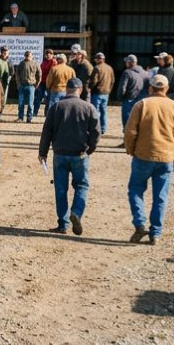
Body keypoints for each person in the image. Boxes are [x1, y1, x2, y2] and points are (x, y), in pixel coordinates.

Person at [124, 74, 174, 245]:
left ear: (150, 88)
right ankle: (155, 234)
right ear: (166, 89)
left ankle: (139, 223)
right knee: (160, 196)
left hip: (143, 156)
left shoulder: (142, 105)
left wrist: (131, 149)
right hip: (166, 157)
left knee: (135, 190)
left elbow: (130, 132)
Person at [39, 78, 100, 235]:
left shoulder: (56, 107)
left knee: (60, 189)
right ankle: (76, 212)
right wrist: (90, 149)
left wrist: (42, 153)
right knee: (82, 186)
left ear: (67, 89)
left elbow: (47, 132)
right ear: (79, 90)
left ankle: (63, 224)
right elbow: (96, 133)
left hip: (60, 154)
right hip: (80, 154)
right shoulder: (89, 108)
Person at [117, 55, 150, 129]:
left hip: (129, 99)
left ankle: (127, 135)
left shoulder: (127, 72)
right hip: (141, 100)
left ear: (129, 63)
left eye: (126, 62)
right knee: (139, 118)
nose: (125, 63)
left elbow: (122, 87)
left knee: (127, 119)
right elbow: (149, 87)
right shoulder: (145, 73)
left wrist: (120, 97)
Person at [89, 52, 115, 134]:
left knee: (95, 111)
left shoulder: (97, 68)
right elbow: (112, 81)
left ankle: (96, 128)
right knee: (103, 111)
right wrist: (109, 90)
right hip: (106, 93)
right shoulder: (109, 68)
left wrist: (90, 88)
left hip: (97, 93)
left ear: (97, 59)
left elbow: (94, 81)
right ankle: (103, 128)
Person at [13, 49, 41, 122]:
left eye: (29, 55)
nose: (27, 56)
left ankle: (29, 118)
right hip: (22, 85)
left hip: (31, 86)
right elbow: (17, 74)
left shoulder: (36, 64)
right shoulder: (21, 64)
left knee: (30, 103)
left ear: (32, 56)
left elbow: (39, 75)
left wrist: (36, 85)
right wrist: (18, 84)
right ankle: (20, 118)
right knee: (20, 103)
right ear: (24, 56)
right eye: (26, 55)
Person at [36, 48, 57, 116]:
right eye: (47, 54)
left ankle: (47, 113)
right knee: (38, 98)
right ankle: (35, 112)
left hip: (49, 83)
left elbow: (52, 72)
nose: (48, 55)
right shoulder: (43, 62)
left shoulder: (54, 62)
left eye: (50, 54)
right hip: (42, 82)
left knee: (48, 99)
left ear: (52, 55)